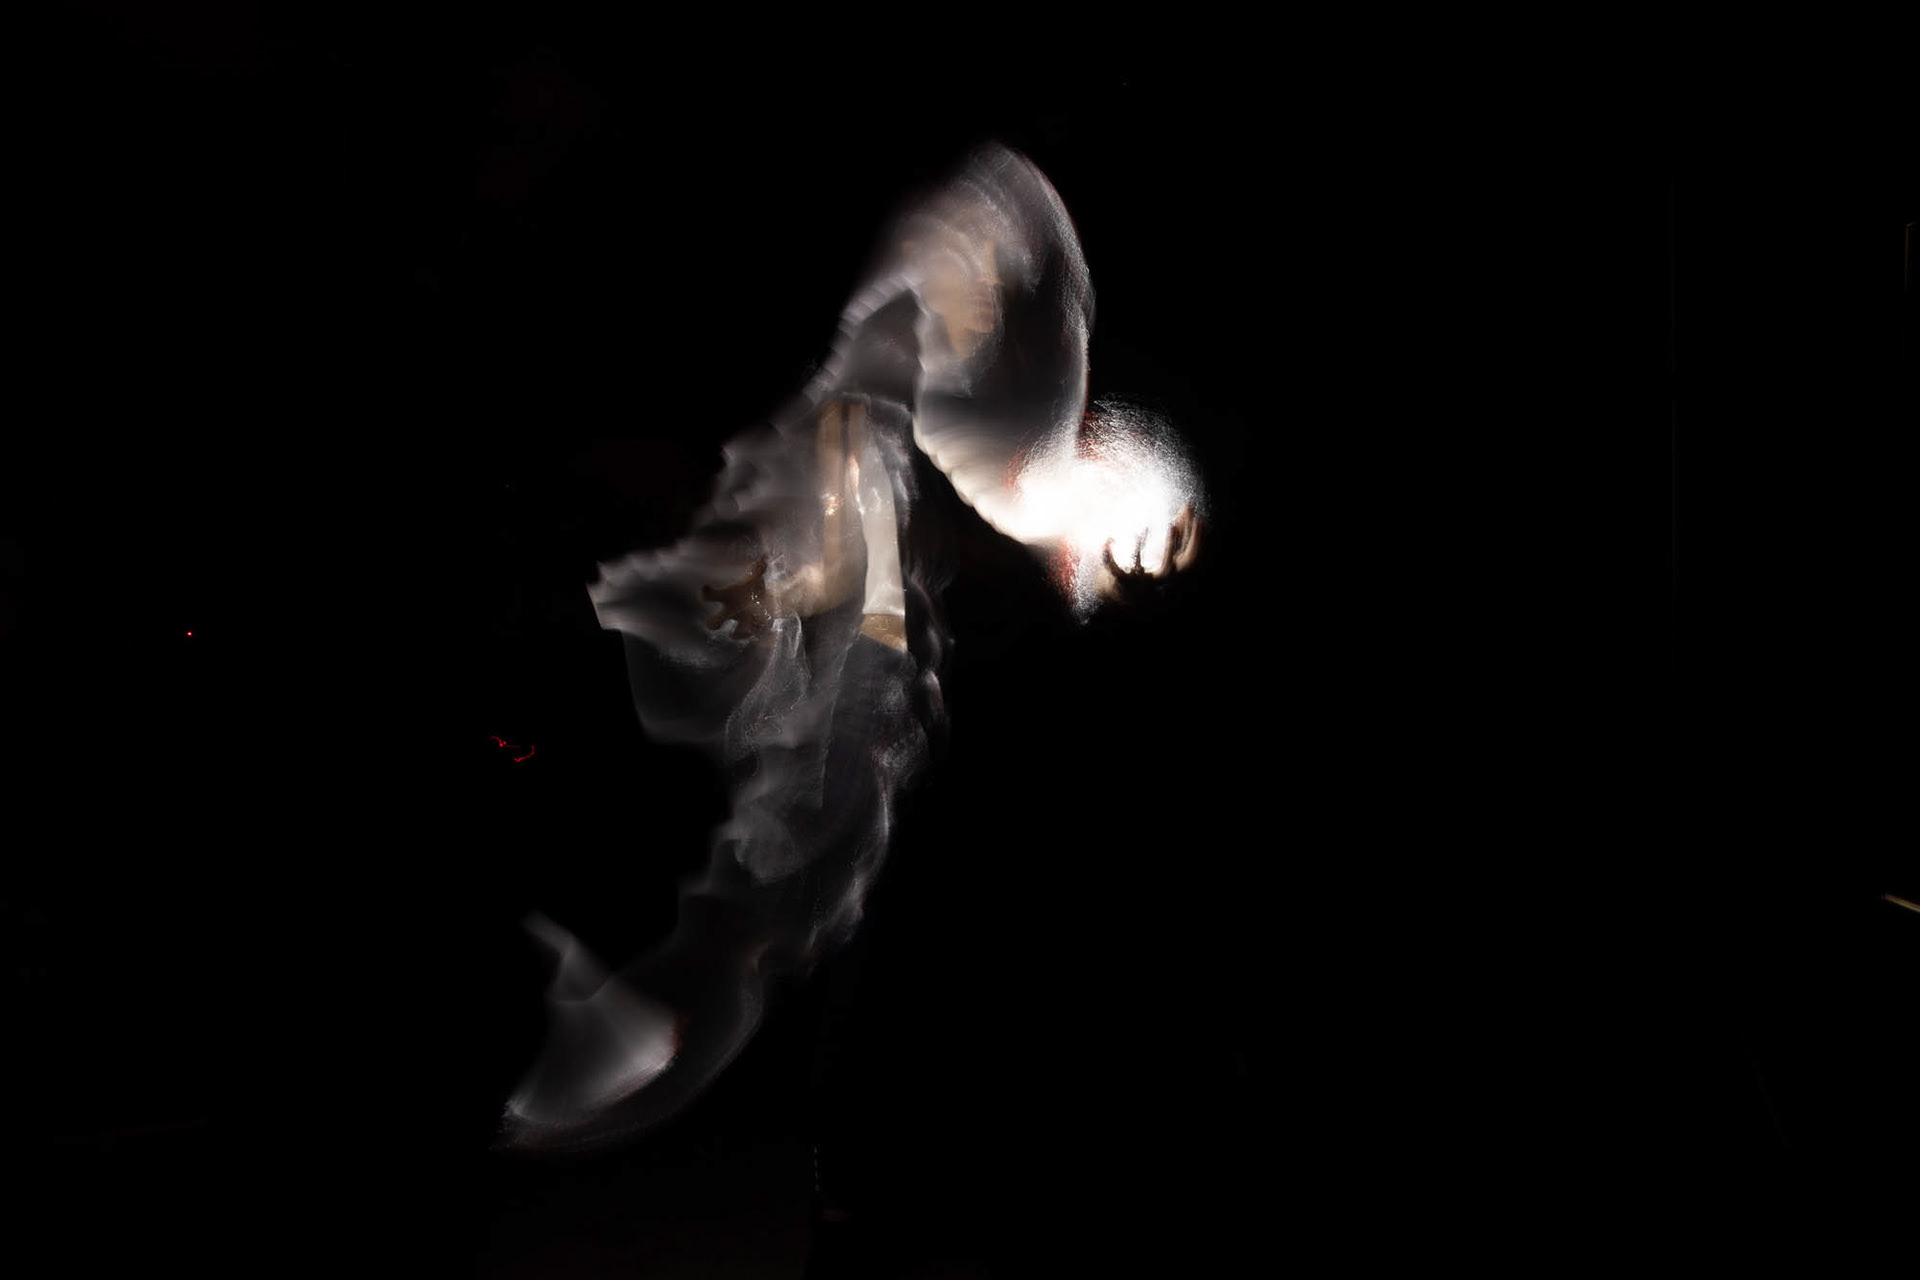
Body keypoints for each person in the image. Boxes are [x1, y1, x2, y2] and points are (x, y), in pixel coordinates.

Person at [498, 144, 1204, 1157]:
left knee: (835, 717)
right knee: (835, 709)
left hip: (861, 432)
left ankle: (687, 985)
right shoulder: (1007, 420)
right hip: (855, 411)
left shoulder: (997, 439)